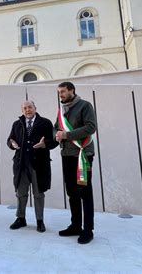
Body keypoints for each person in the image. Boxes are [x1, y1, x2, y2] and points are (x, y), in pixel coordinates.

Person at [54, 81, 96, 244]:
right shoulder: (61, 110)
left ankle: (88, 230)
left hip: (82, 154)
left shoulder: (85, 106)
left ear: (72, 91)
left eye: (63, 92)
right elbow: (55, 127)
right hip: (66, 155)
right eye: (59, 92)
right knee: (72, 192)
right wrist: (56, 134)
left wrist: (67, 136)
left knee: (85, 193)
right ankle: (76, 225)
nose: (61, 95)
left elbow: (91, 127)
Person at [7, 100, 58, 233]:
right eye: (24, 108)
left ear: (35, 108)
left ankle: (40, 221)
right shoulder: (17, 124)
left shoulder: (45, 123)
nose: (27, 110)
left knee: (38, 194)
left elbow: (55, 141)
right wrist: (11, 144)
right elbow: (10, 139)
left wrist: (45, 144)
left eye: (30, 107)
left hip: (39, 165)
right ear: (22, 110)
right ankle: (20, 218)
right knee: (21, 194)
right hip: (21, 165)